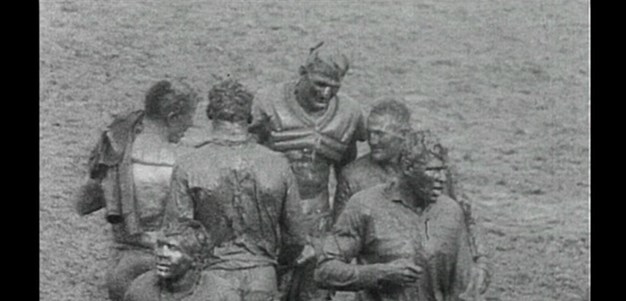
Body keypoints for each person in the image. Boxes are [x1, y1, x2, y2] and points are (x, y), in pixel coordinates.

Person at [166, 79, 312, 301]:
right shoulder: (277, 164)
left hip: (211, 279)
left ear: (210, 114)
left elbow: (178, 235)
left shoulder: (189, 164)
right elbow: (297, 237)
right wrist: (278, 265)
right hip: (263, 276)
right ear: (249, 116)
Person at [249, 42, 367, 301]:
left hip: (318, 220)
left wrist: (337, 234)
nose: (325, 93)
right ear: (303, 73)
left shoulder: (349, 113)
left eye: (333, 88)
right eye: (319, 84)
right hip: (271, 218)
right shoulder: (268, 102)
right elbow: (247, 162)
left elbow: (348, 178)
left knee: (314, 294)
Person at [315, 130, 490, 301]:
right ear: (407, 168)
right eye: (433, 170)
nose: (442, 178)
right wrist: (380, 273)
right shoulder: (364, 206)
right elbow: (325, 271)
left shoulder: (451, 212)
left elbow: (464, 289)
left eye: (443, 170)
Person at [75, 80, 199, 301]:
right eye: (189, 117)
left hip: (122, 268)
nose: (190, 125)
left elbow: (83, 204)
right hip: (167, 271)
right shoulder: (183, 164)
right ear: (173, 117)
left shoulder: (116, 155)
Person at [124, 219, 215, 301]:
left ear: (196, 259)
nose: (162, 254)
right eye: (160, 246)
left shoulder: (218, 294)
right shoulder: (140, 289)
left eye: (173, 248)